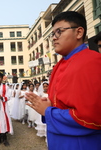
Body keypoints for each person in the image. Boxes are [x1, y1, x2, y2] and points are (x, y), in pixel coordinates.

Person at [26, 11, 101, 150]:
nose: (54, 38)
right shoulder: (59, 65)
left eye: (59, 32)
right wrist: (49, 104)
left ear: (79, 33)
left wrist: (48, 111)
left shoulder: (91, 61)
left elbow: (91, 117)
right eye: (52, 34)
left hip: (79, 143)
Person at [0, 72, 13, 147]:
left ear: (2, 78)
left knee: (3, 122)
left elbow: (8, 97)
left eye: (0, 77)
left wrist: (2, 98)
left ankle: (4, 139)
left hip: (3, 107)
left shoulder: (5, 87)